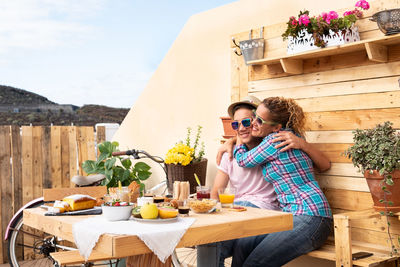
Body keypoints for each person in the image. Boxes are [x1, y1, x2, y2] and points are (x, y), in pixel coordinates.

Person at [204, 96, 330, 267]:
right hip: (293, 215)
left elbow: (243, 160)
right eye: (254, 117)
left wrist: (237, 139)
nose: (253, 123)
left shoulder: (273, 140)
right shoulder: (287, 135)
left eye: (257, 120)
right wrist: (233, 139)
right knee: (243, 245)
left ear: (276, 127)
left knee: (255, 264)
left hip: (311, 215)